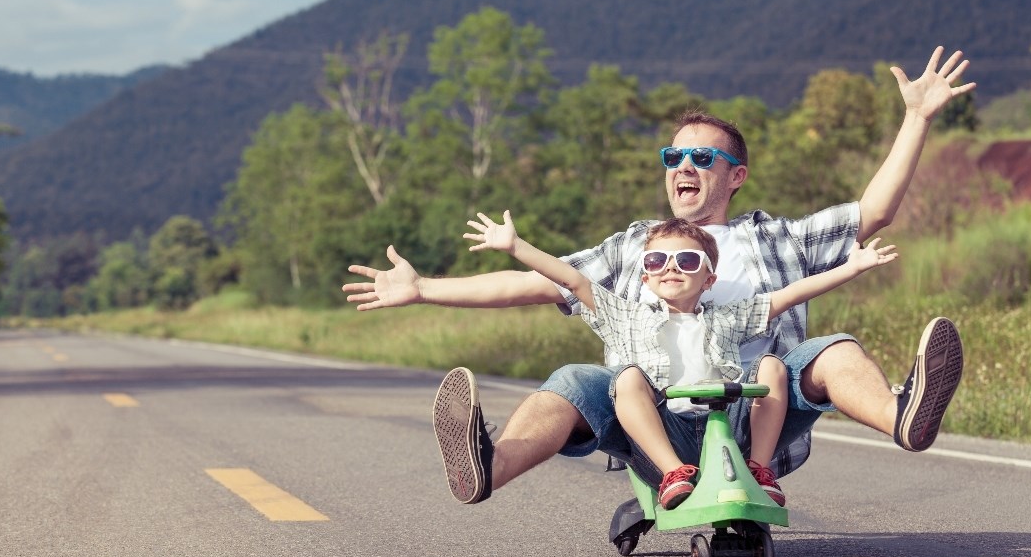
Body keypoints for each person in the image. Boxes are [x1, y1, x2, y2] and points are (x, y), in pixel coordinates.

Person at [344, 46, 973, 506]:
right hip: (656, 420)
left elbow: (874, 212)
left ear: (736, 175)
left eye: (703, 156)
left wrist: (916, 117)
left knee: (832, 350)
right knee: (574, 380)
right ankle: (486, 465)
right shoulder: (637, 247)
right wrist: (423, 288)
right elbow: (543, 283)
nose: (684, 165)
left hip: (761, 416)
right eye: (674, 156)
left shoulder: (776, 237)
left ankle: (902, 417)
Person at [463, 211, 898, 509]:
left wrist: (851, 268)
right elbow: (572, 280)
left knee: (771, 365)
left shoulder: (728, 318)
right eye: (658, 260)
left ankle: (760, 470)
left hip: (729, 428)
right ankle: (674, 475)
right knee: (629, 378)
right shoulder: (626, 315)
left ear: (709, 278)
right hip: (664, 436)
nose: (672, 267)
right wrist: (516, 246)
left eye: (687, 260)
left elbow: (788, 296)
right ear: (646, 276)